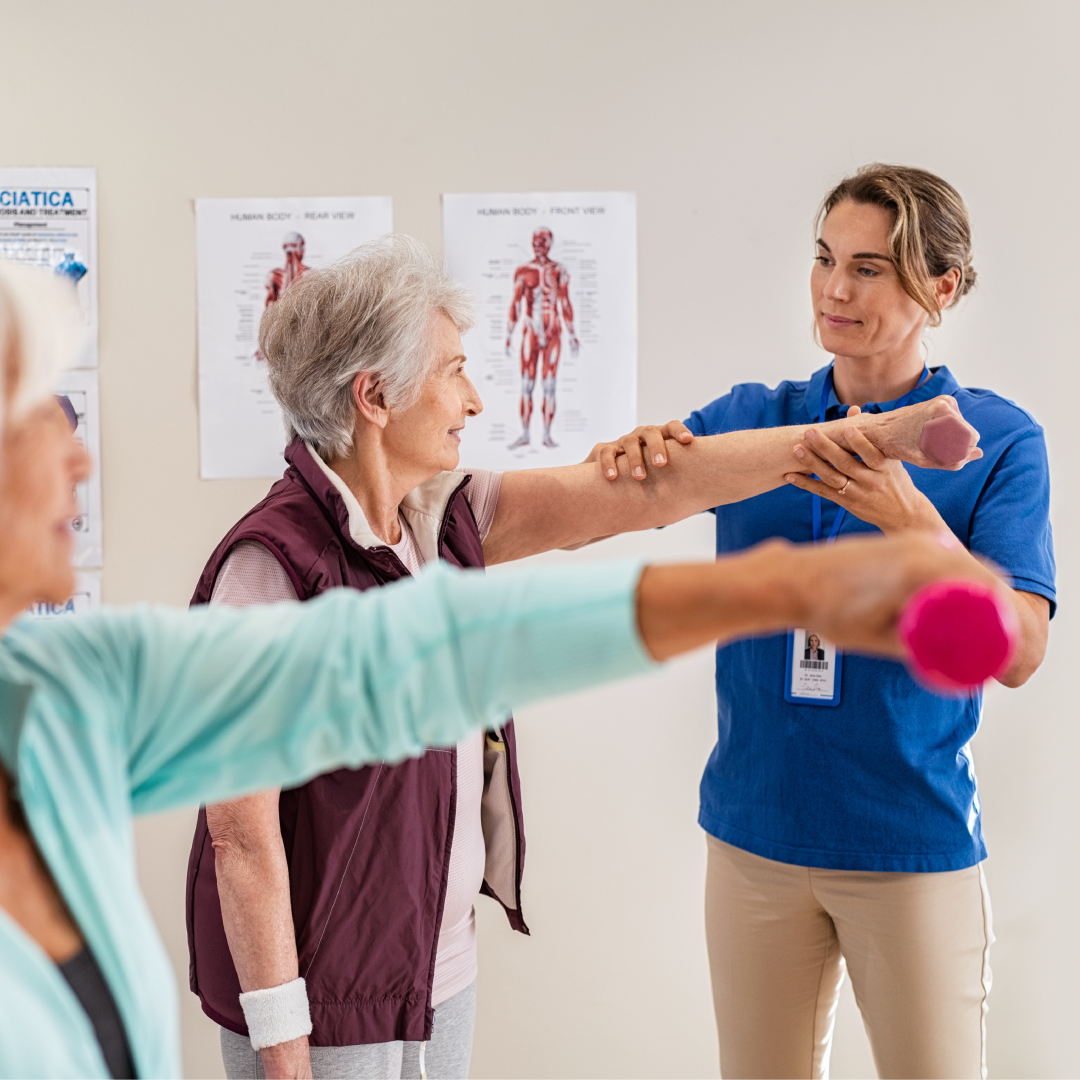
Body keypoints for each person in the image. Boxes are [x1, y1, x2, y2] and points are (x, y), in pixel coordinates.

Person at [0, 260, 999, 1080]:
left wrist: (861, 450)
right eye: (453, 370)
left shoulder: (444, 516)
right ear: (374, 395)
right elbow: (246, 840)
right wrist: (284, 1052)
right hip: (330, 995)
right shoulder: (272, 559)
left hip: (433, 966)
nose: (80, 458)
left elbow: (446, 640)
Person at [592, 164, 1055, 1080]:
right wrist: (630, 453)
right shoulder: (752, 422)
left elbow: (1022, 651)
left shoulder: (997, 441)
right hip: (753, 838)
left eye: (871, 268)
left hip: (908, 845)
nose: (836, 290)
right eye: (824, 258)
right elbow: (621, 506)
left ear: (942, 286)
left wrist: (912, 518)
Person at [505, 227, 578, 449]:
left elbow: (565, 302)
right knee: (527, 385)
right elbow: (516, 303)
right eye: (535, 239)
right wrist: (509, 333)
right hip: (531, 333)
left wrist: (573, 333)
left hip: (554, 332)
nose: (538, 243)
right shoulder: (523, 271)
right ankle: (526, 433)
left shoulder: (559, 270)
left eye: (543, 240)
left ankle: (546, 434)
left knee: (549, 385)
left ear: (550, 243)